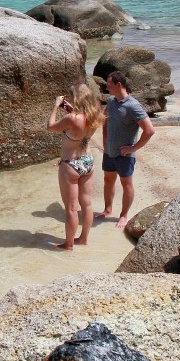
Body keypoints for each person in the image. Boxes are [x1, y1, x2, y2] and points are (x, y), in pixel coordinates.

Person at [47, 82, 104, 250]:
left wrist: (56, 106)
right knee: (86, 204)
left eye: (71, 96)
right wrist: (72, 110)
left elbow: (50, 127)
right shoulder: (95, 115)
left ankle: (69, 244)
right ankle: (83, 238)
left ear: (76, 98)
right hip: (87, 161)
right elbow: (80, 122)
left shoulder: (72, 119)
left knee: (71, 208)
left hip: (70, 164)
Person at [97, 71, 155, 230]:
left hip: (125, 154)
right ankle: (107, 209)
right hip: (109, 151)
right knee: (108, 181)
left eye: (109, 85)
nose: (107, 88)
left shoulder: (133, 106)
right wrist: (104, 139)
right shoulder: (111, 102)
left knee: (126, 184)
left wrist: (133, 148)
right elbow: (105, 121)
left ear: (119, 85)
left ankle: (123, 215)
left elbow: (149, 130)